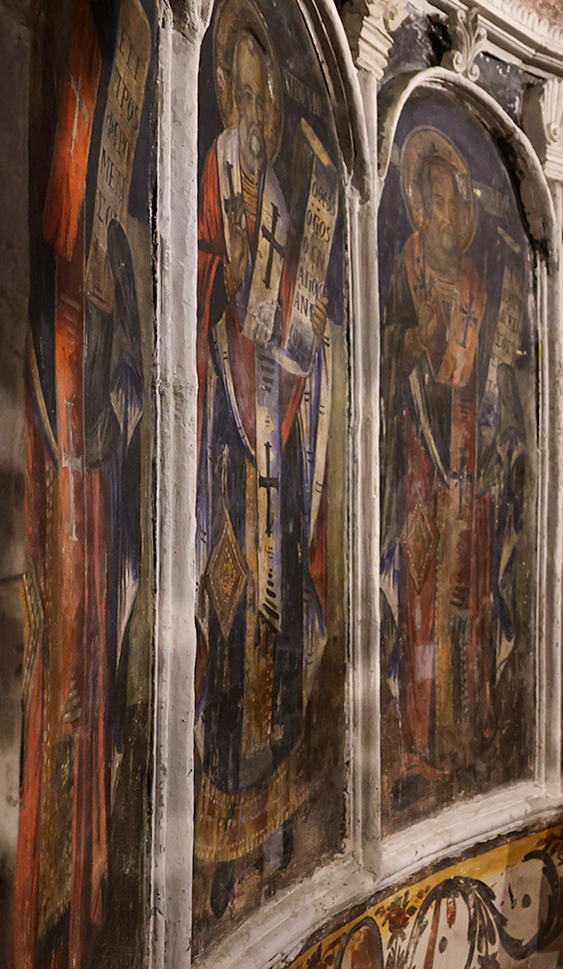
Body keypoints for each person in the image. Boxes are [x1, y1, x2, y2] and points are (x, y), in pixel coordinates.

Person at [195, 0, 331, 916]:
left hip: (272, 436)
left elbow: (297, 320)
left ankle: (273, 815)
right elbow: (204, 272)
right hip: (222, 429)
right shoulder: (219, 168)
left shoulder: (280, 195)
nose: (250, 101)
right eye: (238, 86)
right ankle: (210, 836)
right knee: (228, 602)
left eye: (261, 91)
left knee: (277, 616)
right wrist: (233, 302)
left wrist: (300, 340)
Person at [380, 126, 497, 782]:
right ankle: (418, 736)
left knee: (464, 599)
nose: (437, 215)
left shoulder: (476, 286)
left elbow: (487, 386)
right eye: (428, 203)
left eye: (448, 203)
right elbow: (389, 346)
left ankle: (463, 730)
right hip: (420, 464)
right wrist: (415, 340)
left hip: (466, 465)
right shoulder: (410, 264)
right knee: (421, 593)